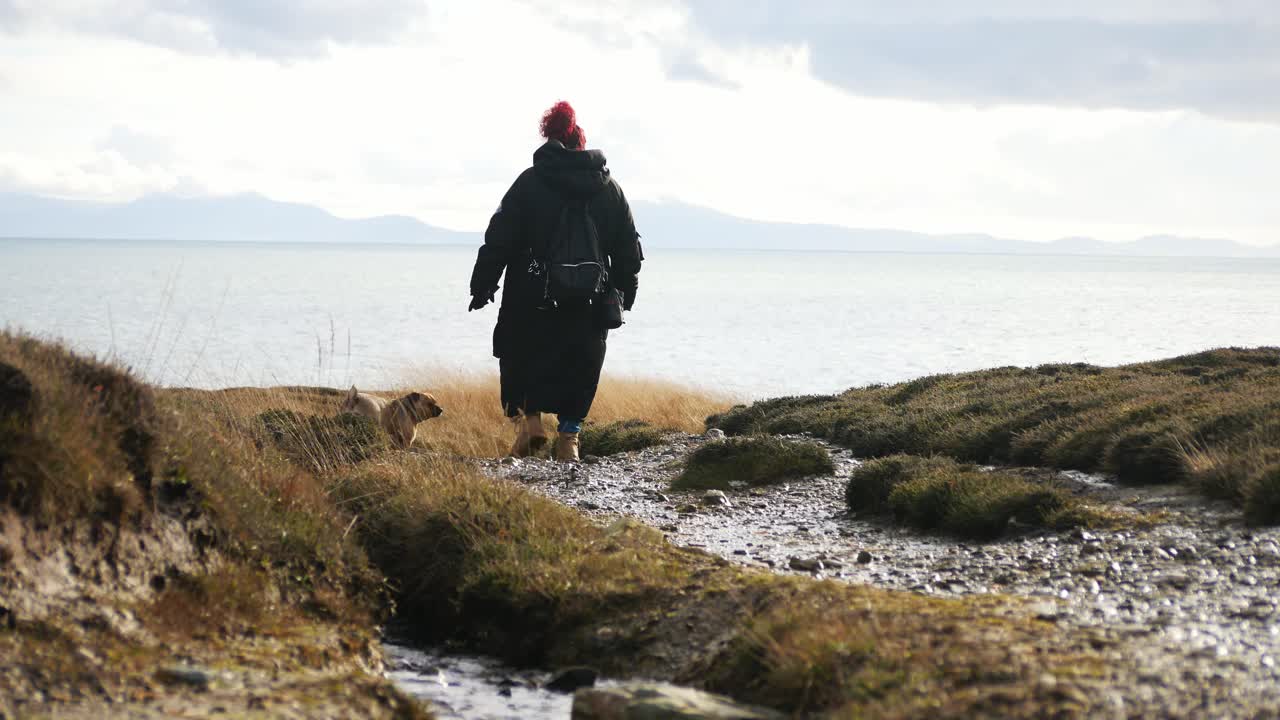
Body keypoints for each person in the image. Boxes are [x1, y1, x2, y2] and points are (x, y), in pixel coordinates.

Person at [468, 101, 642, 462]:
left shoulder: (529, 184)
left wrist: (482, 285)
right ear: (581, 142)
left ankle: (530, 424)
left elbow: (498, 238)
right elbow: (628, 248)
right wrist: (625, 294)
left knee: (519, 355)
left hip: (530, 296)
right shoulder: (610, 190)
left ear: (549, 140)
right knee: (581, 363)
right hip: (590, 301)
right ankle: (569, 439)